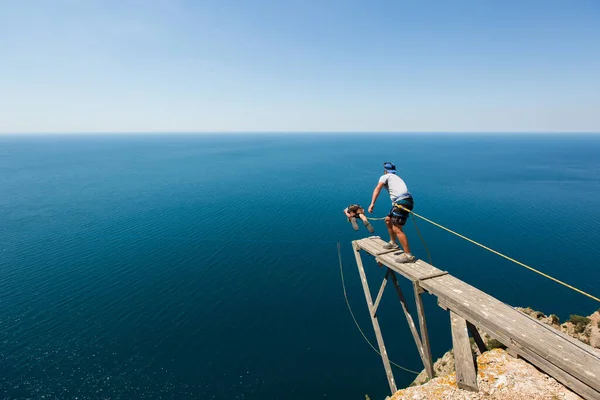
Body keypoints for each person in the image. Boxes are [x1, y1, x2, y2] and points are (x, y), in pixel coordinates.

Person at [368, 162, 415, 263]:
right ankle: (393, 242)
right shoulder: (396, 177)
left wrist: (372, 204)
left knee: (397, 228)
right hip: (403, 202)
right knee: (388, 220)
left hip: (401, 203)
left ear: (385, 170)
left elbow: (377, 189)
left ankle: (408, 255)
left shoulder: (385, 176)